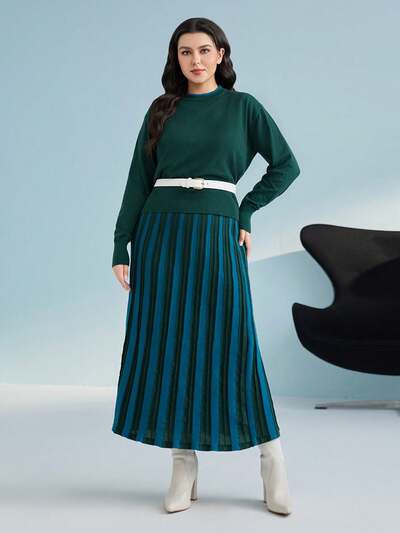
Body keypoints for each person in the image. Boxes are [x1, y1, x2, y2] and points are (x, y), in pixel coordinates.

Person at [111, 17, 300, 516]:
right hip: (160, 234)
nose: (194, 60)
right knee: (168, 341)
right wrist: (120, 244)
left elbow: (286, 165)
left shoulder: (243, 107)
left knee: (234, 339)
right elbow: (138, 179)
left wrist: (246, 209)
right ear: (176, 59)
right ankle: (182, 464)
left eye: (203, 50)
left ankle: (272, 460)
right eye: (185, 52)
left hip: (217, 231)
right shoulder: (162, 110)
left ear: (221, 55)